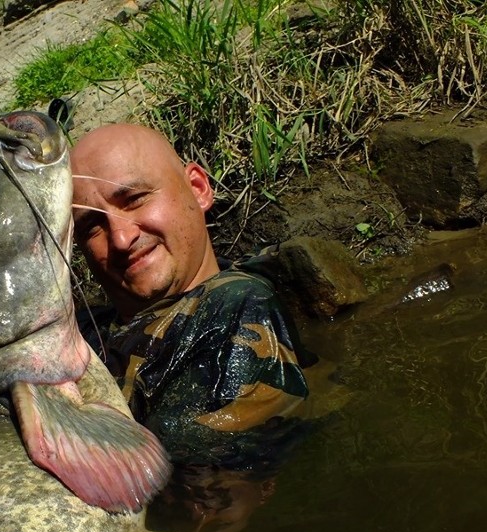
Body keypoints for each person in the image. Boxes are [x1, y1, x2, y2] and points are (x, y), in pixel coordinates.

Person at [70, 122, 315, 470]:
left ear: (198, 189)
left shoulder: (236, 306)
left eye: (135, 199)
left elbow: (208, 494)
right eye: (92, 225)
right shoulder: (78, 329)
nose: (121, 238)